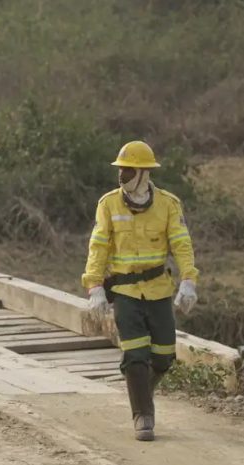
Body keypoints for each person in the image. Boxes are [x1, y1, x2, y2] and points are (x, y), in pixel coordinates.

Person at [82, 140, 199, 441]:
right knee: (134, 354)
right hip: (125, 291)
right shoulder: (108, 204)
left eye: (128, 170)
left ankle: (141, 393)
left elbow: (181, 243)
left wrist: (189, 279)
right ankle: (143, 416)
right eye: (120, 170)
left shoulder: (169, 205)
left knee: (163, 356)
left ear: (144, 174)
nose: (122, 176)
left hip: (159, 289)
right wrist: (94, 286)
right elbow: (98, 246)